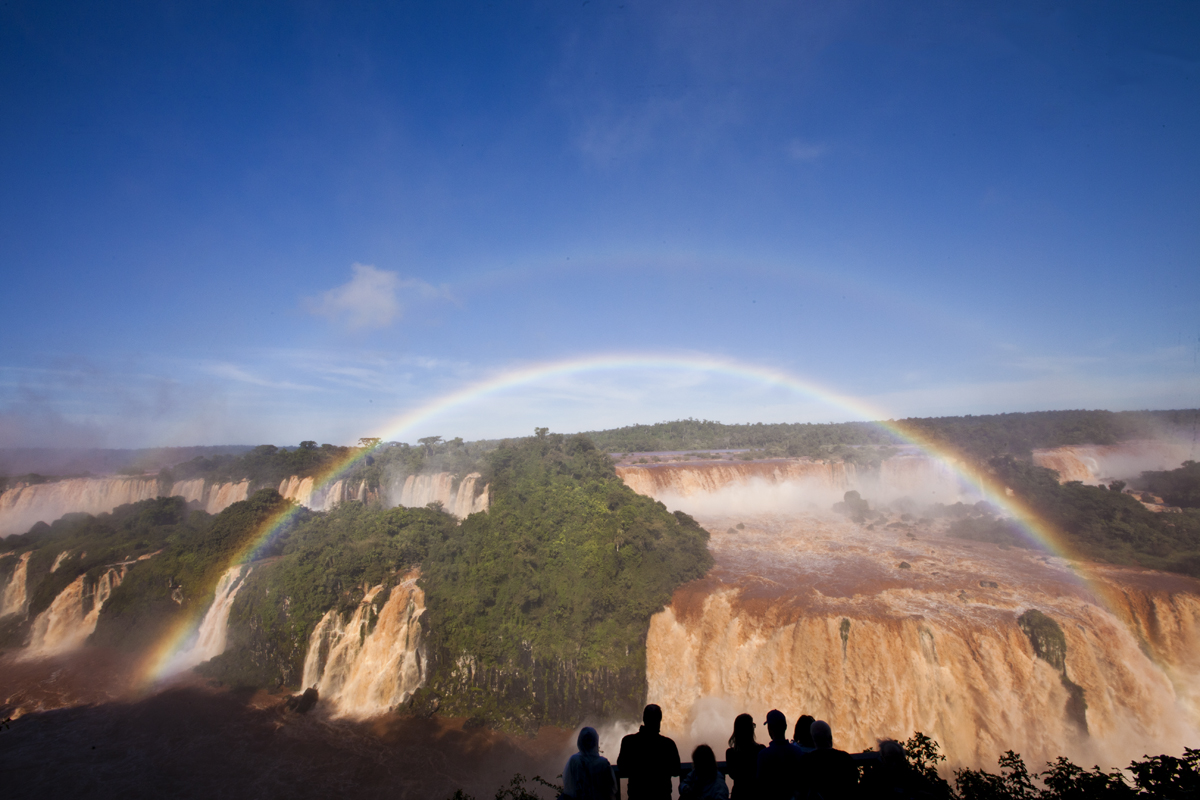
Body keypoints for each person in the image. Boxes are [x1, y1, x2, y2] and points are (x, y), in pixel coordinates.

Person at [618, 704, 681, 800]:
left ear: (644, 719)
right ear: (660, 720)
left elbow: (622, 767)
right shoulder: (668, 744)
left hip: (637, 796)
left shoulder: (628, 742)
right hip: (662, 796)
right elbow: (676, 770)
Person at [857, 739, 938, 799]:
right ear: (883, 759)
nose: (893, 763)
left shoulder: (914, 778)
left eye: (896, 759)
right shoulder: (871, 778)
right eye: (890, 759)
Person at [799, 720, 859, 799]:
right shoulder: (845, 758)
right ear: (830, 737)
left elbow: (800, 790)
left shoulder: (806, 761)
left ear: (813, 740)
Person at [756, 709, 804, 800]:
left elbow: (760, 785)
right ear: (785, 727)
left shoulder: (763, 755)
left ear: (769, 729)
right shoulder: (798, 752)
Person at [563, 726, 618, 800]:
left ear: (580, 741)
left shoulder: (574, 760)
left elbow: (568, 787)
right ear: (596, 742)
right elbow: (611, 788)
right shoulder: (603, 763)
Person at [724, 713, 766, 799]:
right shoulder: (761, 750)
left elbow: (733, 775)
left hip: (739, 794)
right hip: (756, 793)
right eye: (753, 725)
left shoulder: (731, 753)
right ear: (750, 730)